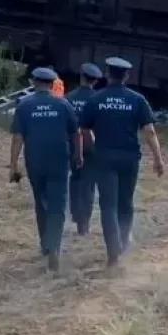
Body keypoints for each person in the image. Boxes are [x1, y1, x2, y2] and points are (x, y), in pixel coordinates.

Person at [79, 57, 165, 268]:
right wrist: (158, 159)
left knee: (107, 205)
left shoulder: (95, 99)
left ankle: (113, 254)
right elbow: (149, 131)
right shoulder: (137, 100)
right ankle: (124, 242)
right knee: (125, 202)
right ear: (126, 76)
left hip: (104, 159)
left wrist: (92, 146)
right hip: (129, 160)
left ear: (107, 74)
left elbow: (84, 130)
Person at [10, 67, 83, 272]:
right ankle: (54, 249)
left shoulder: (24, 106)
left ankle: (45, 245)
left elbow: (17, 138)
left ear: (34, 82)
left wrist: (13, 166)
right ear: (52, 84)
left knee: (41, 203)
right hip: (59, 162)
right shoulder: (63, 104)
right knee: (58, 206)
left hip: (35, 162)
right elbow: (75, 132)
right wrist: (78, 155)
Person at [65, 62, 104, 235]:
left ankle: (75, 213)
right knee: (89, 184)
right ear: (95, 81)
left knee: (74, 180)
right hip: (92, 148)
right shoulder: (98, 99)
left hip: (71, 146)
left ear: (81, 77)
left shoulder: (68, 98)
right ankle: (84, 222)